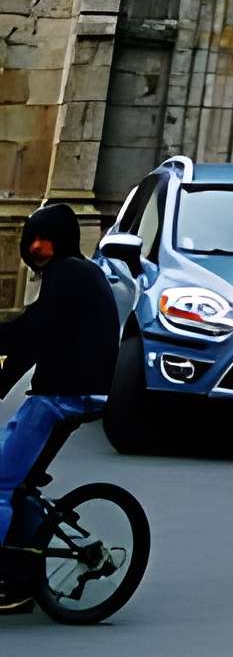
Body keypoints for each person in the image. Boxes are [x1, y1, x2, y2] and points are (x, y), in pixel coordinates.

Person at [0, 204, 118, 613]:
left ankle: (11, 580)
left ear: (64, 240)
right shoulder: (74, 276)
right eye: (31, 239)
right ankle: (21, 566)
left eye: (46, 239)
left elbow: (31, 335)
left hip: (63, 395)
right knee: (16, 480)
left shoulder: (68, 274)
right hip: (78, 391)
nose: (37, 247)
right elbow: (37, 338)